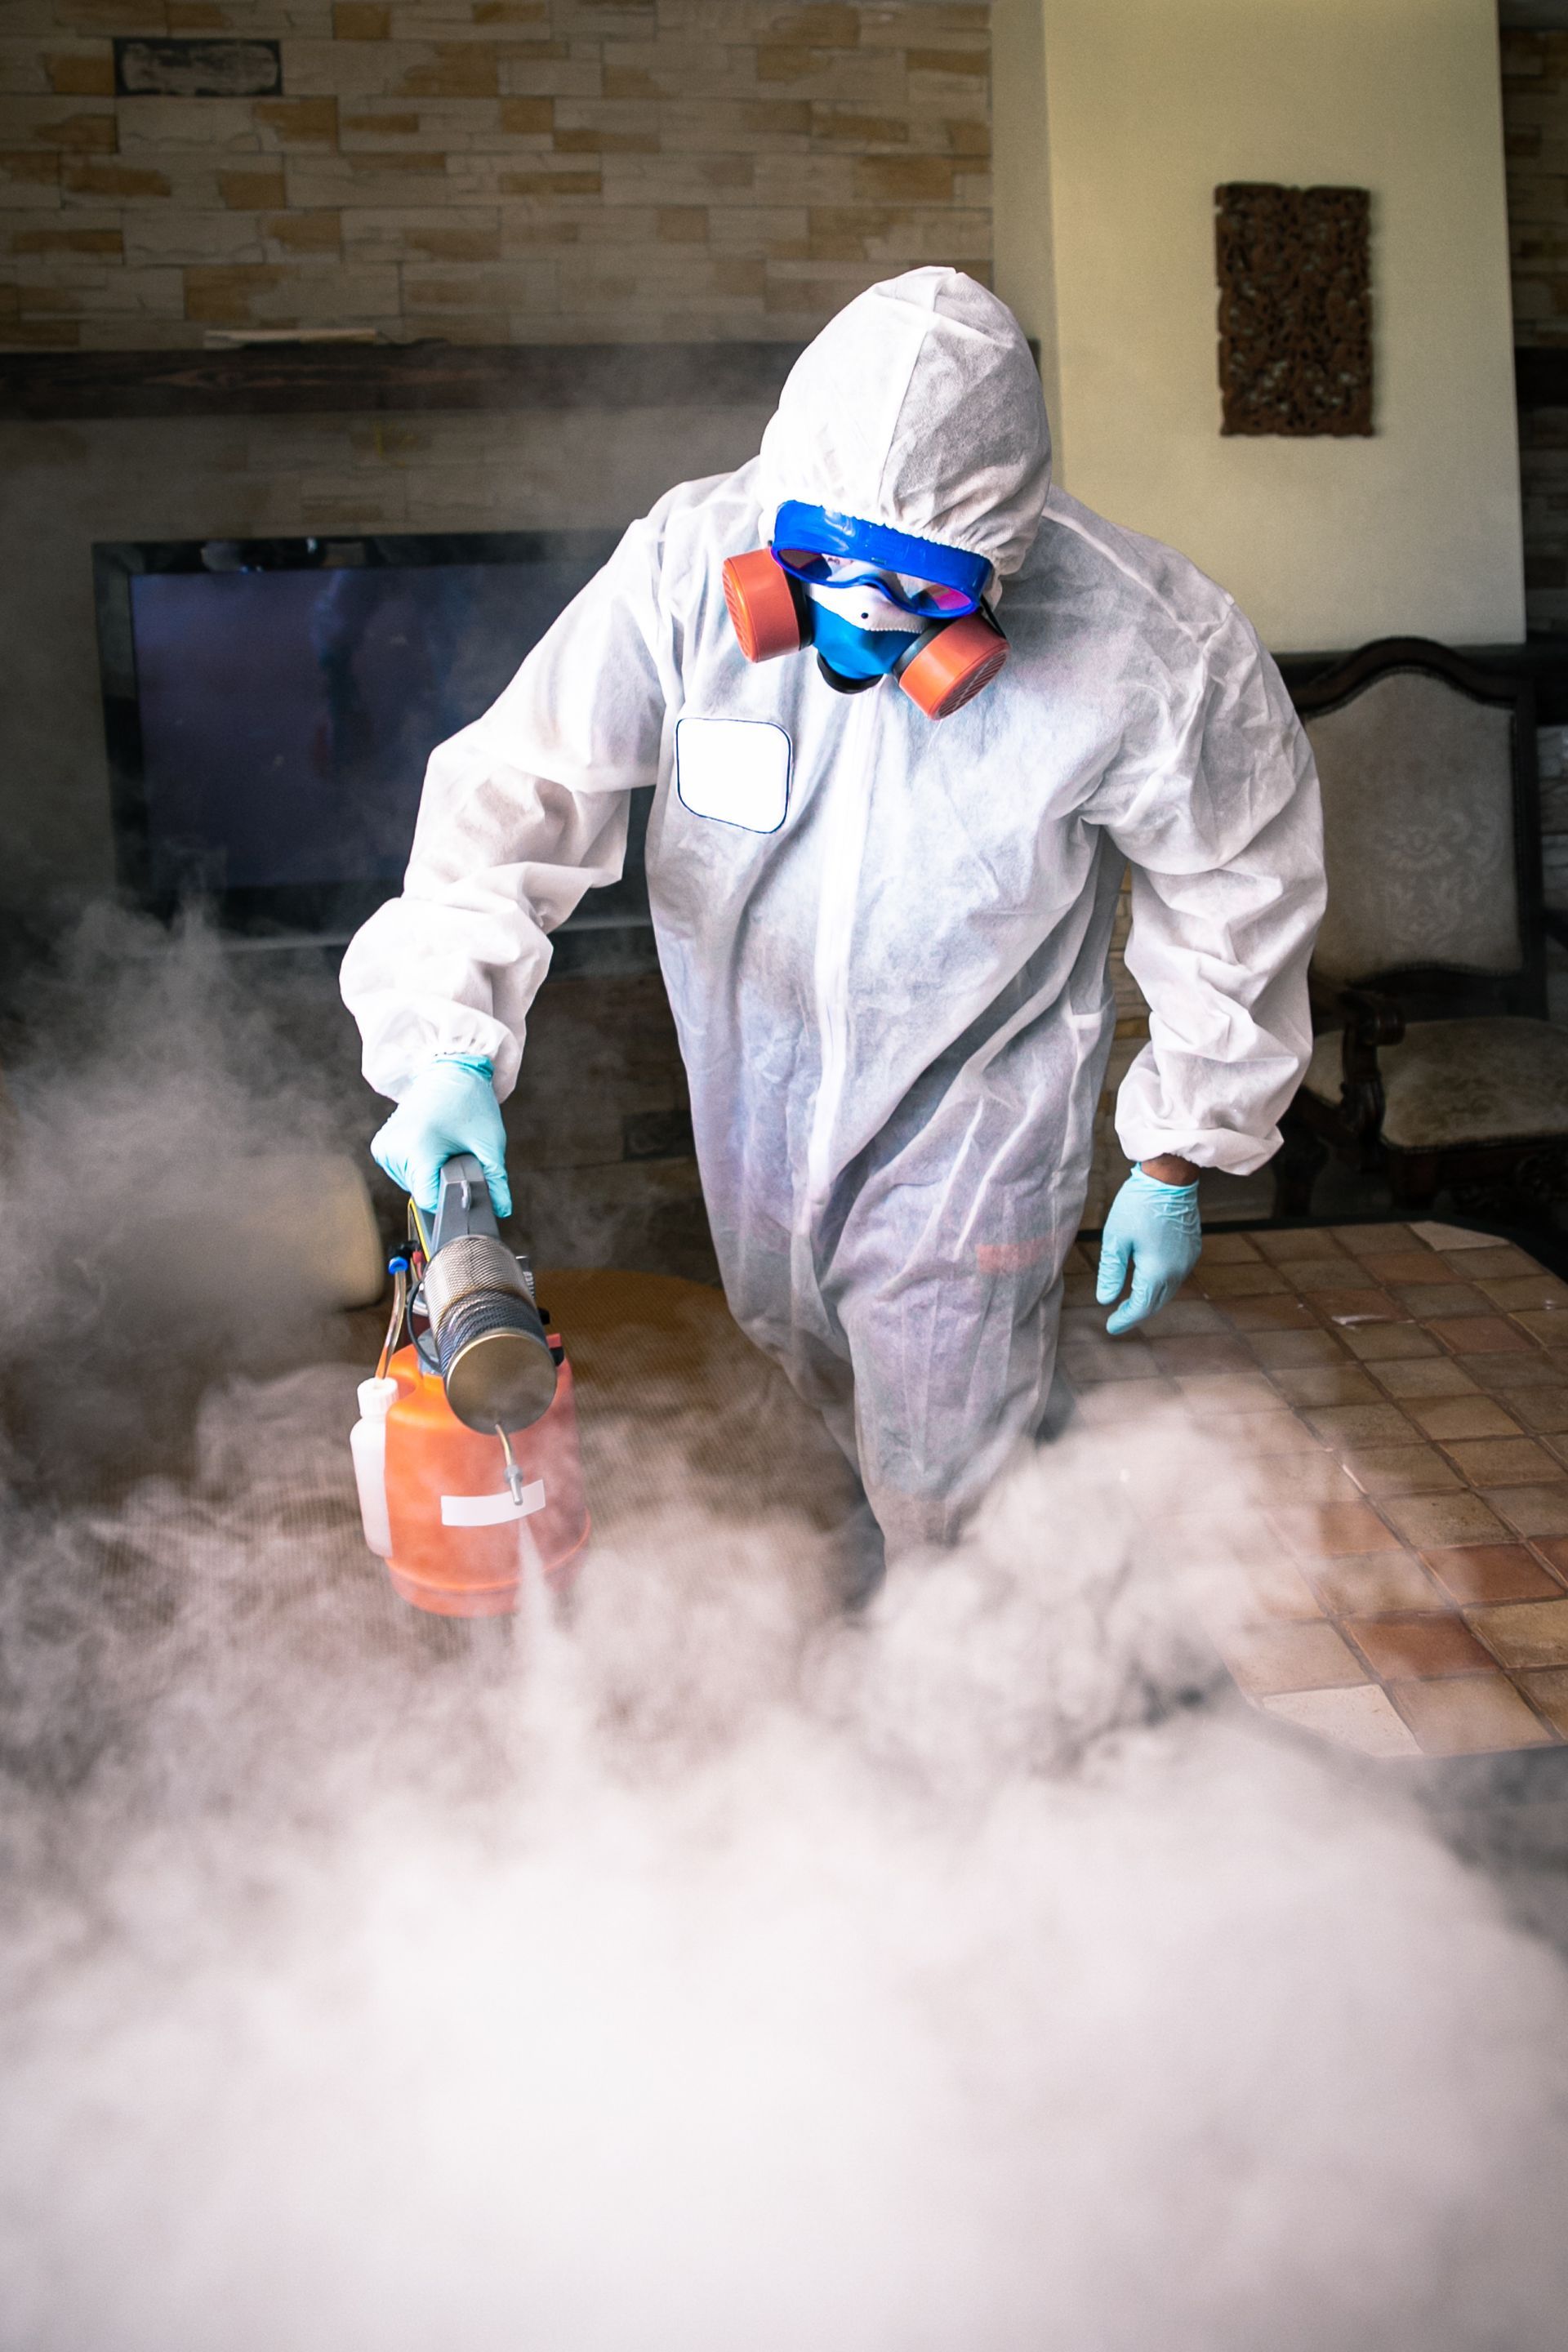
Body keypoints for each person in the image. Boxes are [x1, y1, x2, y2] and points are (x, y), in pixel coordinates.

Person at [341, 267, 1325, 1565]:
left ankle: (1001, 1701)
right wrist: (450, 1040)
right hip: (753, 1110)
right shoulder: (692, 569)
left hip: (970, 1125)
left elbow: (1240, 884)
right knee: (842, 1399)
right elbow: (519, 789)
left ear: (1001, 564)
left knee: (944, 1459)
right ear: (782, 522)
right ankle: (982, 1587)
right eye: (833, 576)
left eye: (916, 598)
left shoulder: (1145, 642)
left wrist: (1181, 1146)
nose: (865, 622)